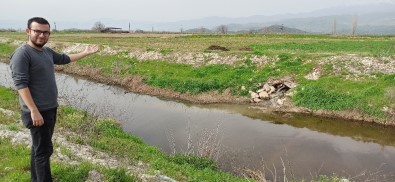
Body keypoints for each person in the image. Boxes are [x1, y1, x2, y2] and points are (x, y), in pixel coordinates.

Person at [10, 17, 99, 182]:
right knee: (44, 151)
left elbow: (64, 59)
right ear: (28, 31)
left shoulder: (46, 52)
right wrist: (34, 111)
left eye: (46, 32)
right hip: (38, 111)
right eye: (37, 31)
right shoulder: (22, 54)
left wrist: (86, 53)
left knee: (39, 149)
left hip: (49, 108)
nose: (42, 35)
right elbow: (21, 85)